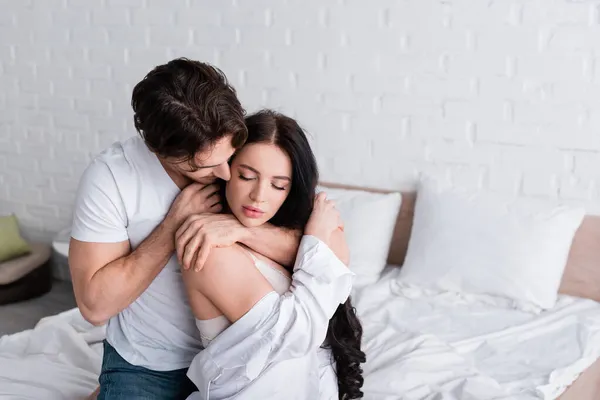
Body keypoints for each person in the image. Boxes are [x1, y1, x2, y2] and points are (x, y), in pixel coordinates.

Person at [69, 58, 349, 400]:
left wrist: (239, 230)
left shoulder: (235, 147)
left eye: (231, 159)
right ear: (161, 151)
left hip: (225, 360)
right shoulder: (112, 178)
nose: (227, 175)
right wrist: (173, 224)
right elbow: (94, 306)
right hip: (150, 363)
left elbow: (320, 247)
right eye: (208, 166)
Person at [177, 110, 366, 399]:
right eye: (247, 176)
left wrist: (245, 231)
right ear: (226, 171)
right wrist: (314, 238)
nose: (259, 196)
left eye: (279, 185)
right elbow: (293, 335)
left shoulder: (293, 227)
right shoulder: (209, 247)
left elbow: (339, 254)